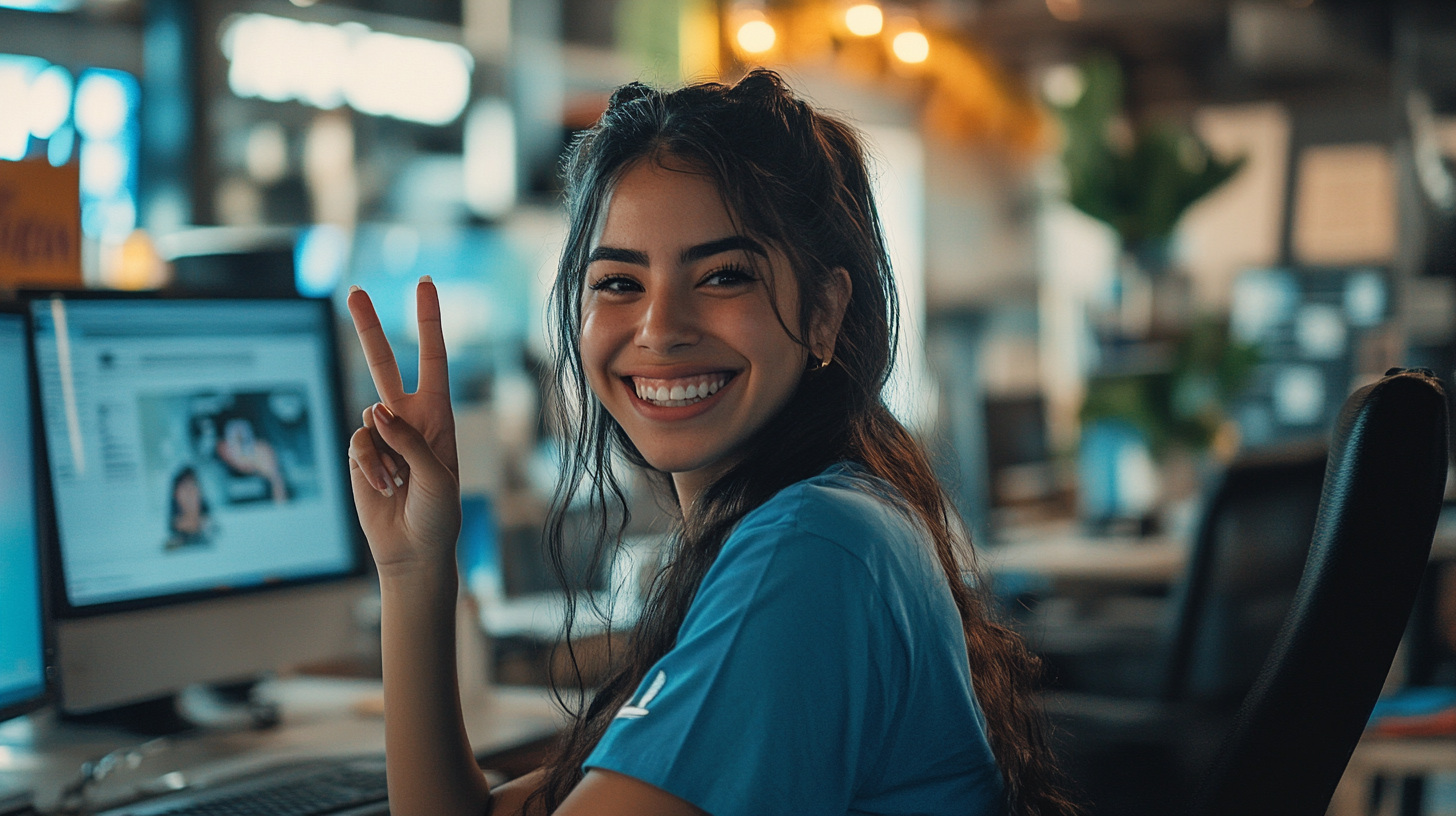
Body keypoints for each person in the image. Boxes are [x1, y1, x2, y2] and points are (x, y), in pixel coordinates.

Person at [345, 70, 1078, 816]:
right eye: (619, 284)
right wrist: (415, 568)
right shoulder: (821, 518)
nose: (661, 329)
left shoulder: (809, 549)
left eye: (724, 276)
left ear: (824, 311)